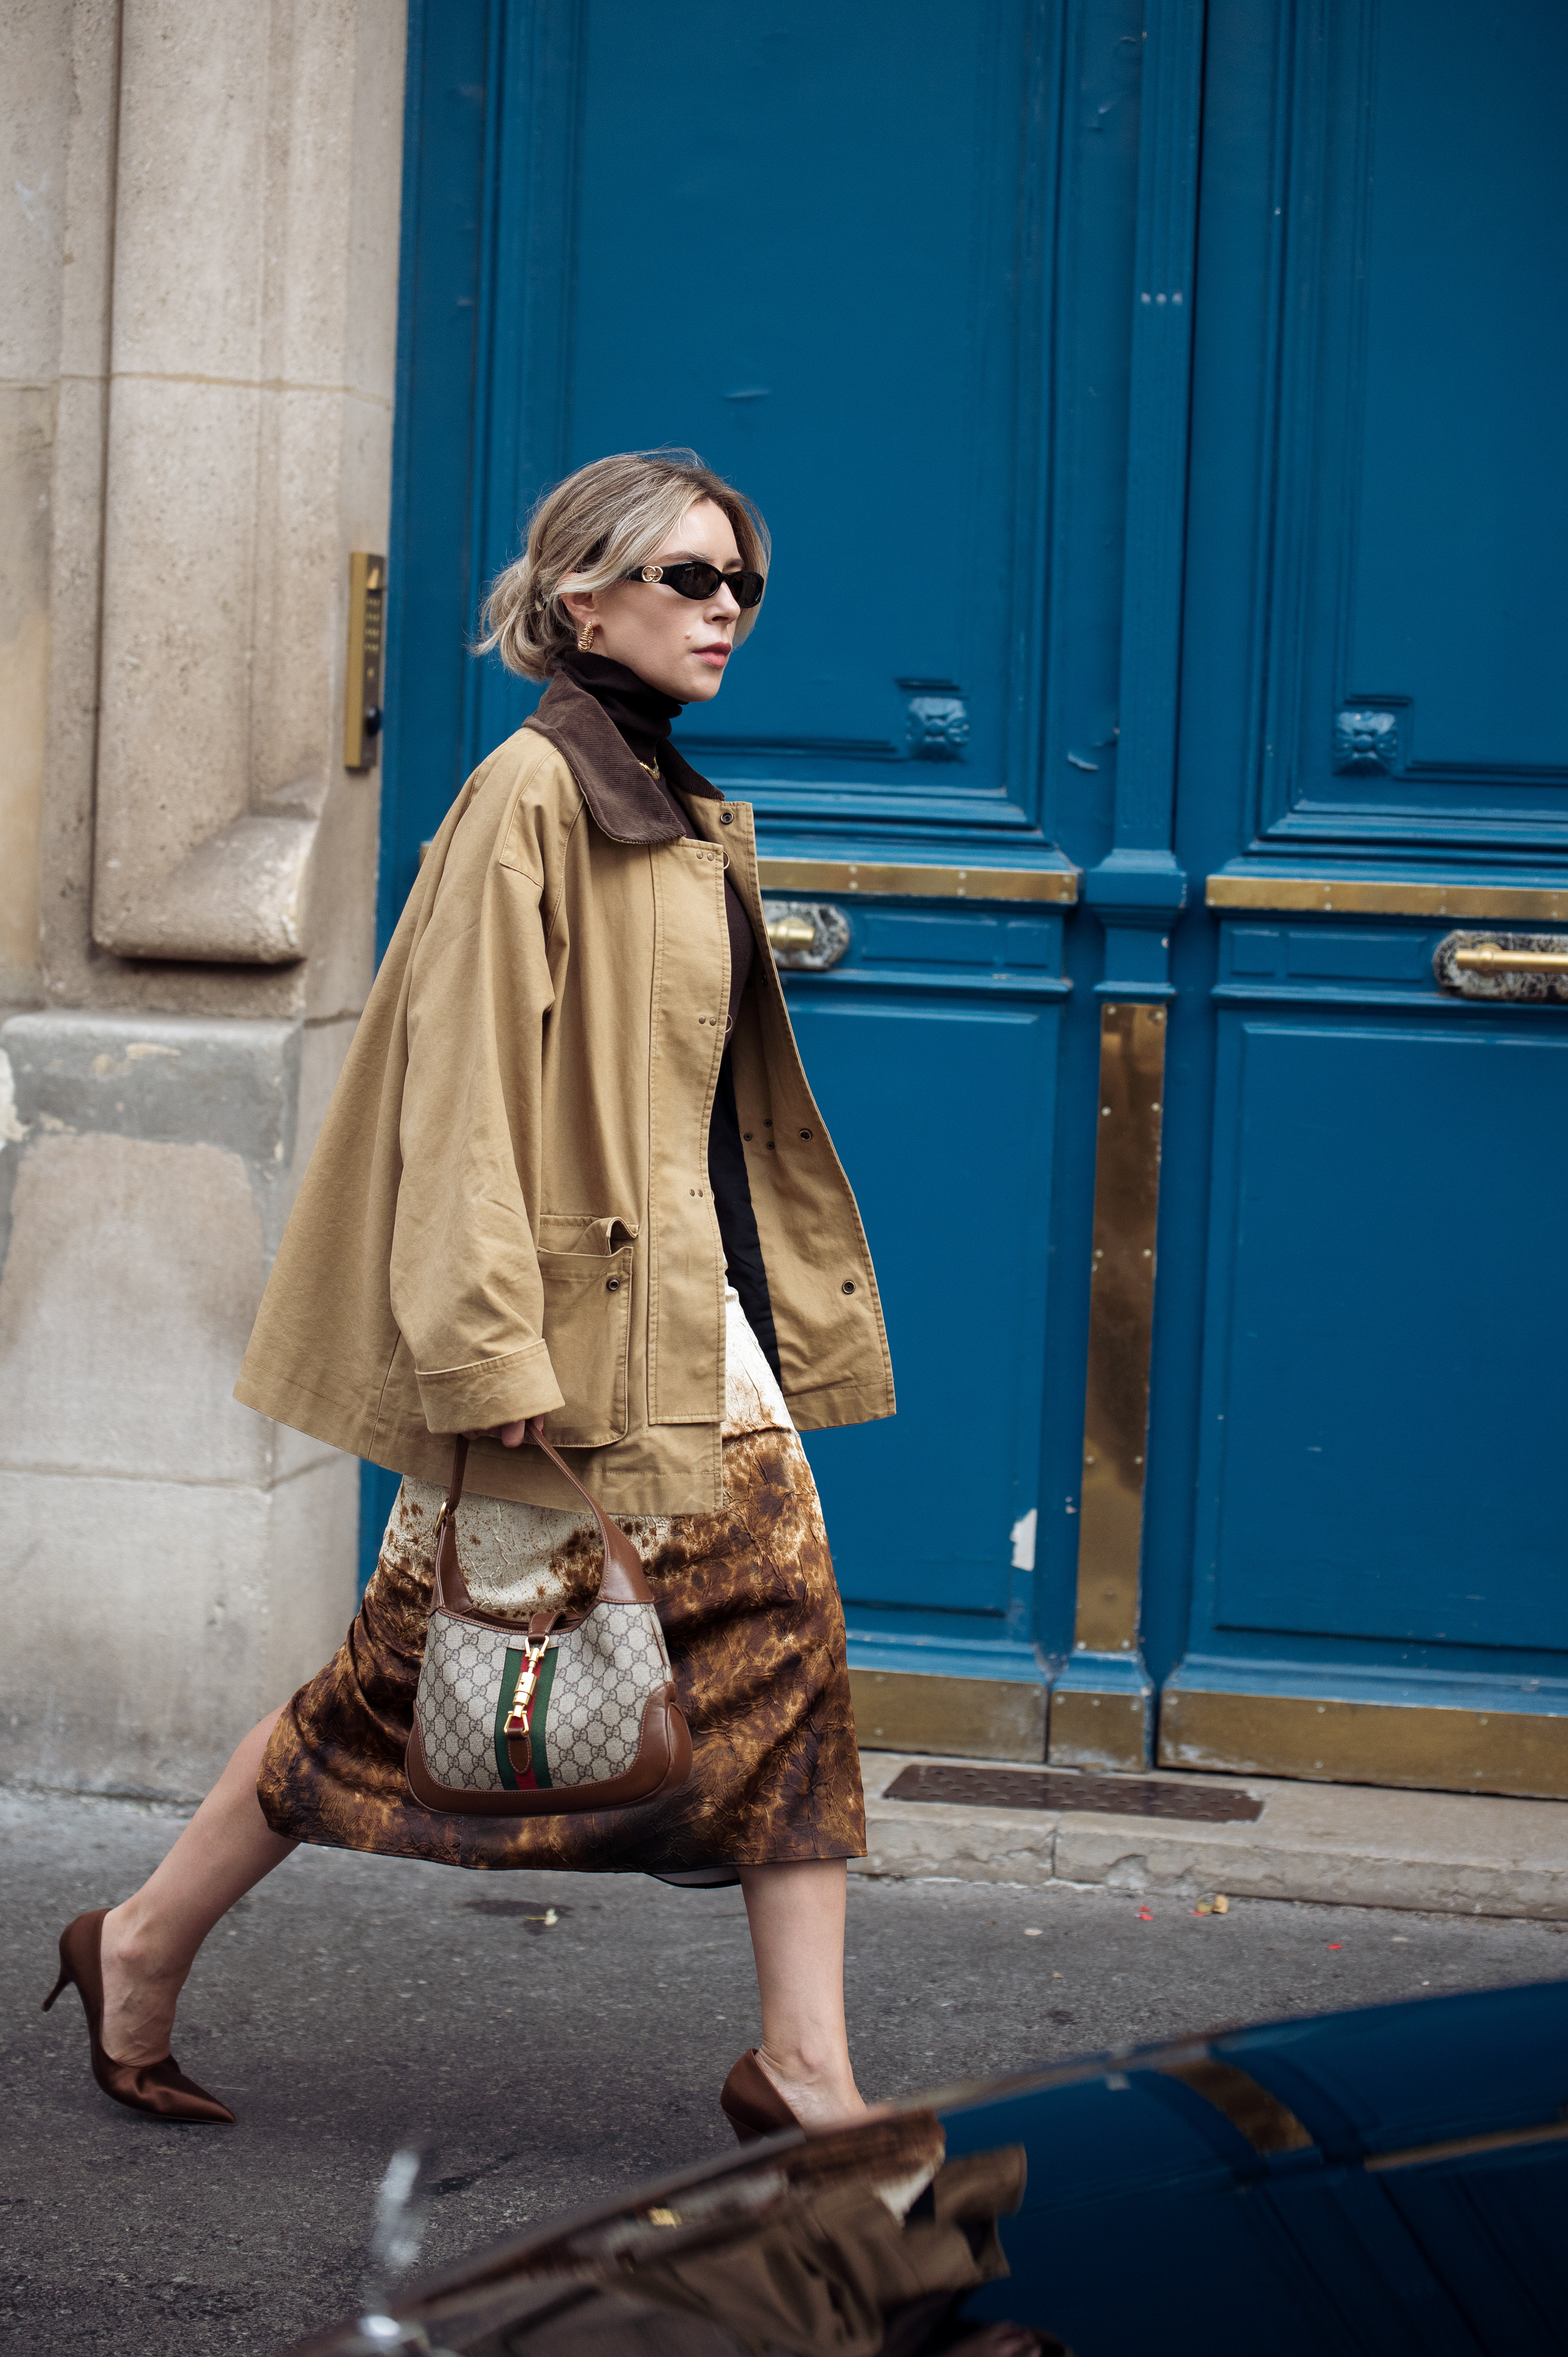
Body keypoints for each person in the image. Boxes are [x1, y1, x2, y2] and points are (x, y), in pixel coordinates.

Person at [43, 448, 896, 2142]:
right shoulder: (535, 792)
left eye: (742, 584)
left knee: (763, 1650)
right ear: (581, 599)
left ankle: (802, 2064)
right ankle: (138, 1936)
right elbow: (458, 1092)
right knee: (413, 1681)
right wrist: (485, 1339)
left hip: (681, 1315)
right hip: (570, 1333)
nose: (726, 609)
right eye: (687, 580)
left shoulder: (662, 788)